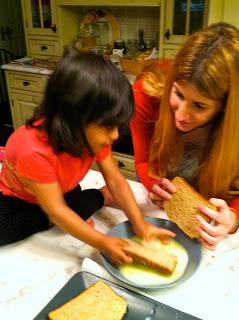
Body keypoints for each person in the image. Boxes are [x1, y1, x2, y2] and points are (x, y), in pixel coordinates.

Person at [0, 46, 175, 264]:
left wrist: (139, 223)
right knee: (6, 232)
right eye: (108, 127)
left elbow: (116, 180)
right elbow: (56, 210)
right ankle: (89, 201)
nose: (115, 135)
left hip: (62, 189)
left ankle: (96, 198)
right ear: (72, 118)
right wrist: (102, 241)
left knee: (74, 214)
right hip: (20, 198)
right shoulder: (31, 150)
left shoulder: (87, 133)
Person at [130, 22, 239, 250]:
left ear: (225, 108)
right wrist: (153, 184)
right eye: (178, 93)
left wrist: (231, 218)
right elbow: (142, 160)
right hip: (160, 208)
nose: (181, 115)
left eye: (199, 106)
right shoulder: (145, 94)